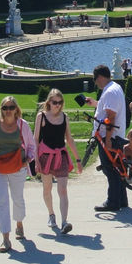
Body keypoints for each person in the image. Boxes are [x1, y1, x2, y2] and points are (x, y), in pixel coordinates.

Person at [0, 96, 36, 252]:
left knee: (17, 198)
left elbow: (31, 145)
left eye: (11, 107)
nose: (8, 110)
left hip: (18, 166)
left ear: (16, 109)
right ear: (1, 109)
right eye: (5, 107)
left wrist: (27, 161)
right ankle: (5, 238)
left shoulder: (22, 125)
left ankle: (19, 223)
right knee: (2, 201)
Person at [34, 89, 82, 234]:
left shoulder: (64, 117)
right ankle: (51, 214)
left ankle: (64, 222)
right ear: (49, 102)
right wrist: (36, 161)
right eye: (55, 102)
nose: (57, 105)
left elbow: (69, 139)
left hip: (61, 156)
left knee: (62, 189)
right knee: (47, 188)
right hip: (45, 156)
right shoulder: (41, 117)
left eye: (60, 103)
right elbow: (35, 140)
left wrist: (78, 159)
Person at [85, 65, 127, 212]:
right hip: (115, 135)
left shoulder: (109, 92)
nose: (96, 83)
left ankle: (113, 201)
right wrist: (96, 104)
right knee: (117, 168)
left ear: (101, 77)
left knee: (110, 169)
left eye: (95, 80)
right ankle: (122, 200)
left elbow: (111, 117)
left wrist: (108, 140)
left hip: (109, 137)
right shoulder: (114, 87)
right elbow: (108, 110)